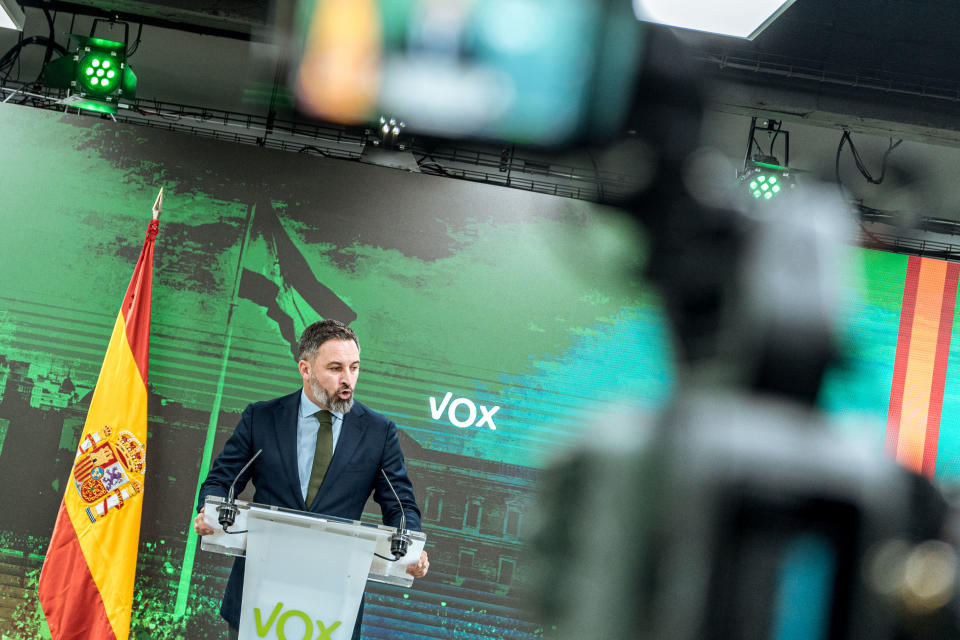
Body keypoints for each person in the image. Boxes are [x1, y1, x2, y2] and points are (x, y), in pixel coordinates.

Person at [193, 319, 429, 640]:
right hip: (258, 593)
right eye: (335, 368)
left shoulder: (378, 432)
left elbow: (400, 503)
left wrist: (412, 545)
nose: (348, 380)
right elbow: (222, 480)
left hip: (332, 603)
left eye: (354, 368)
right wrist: (209, 510)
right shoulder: (261, 417)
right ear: (305, 369)